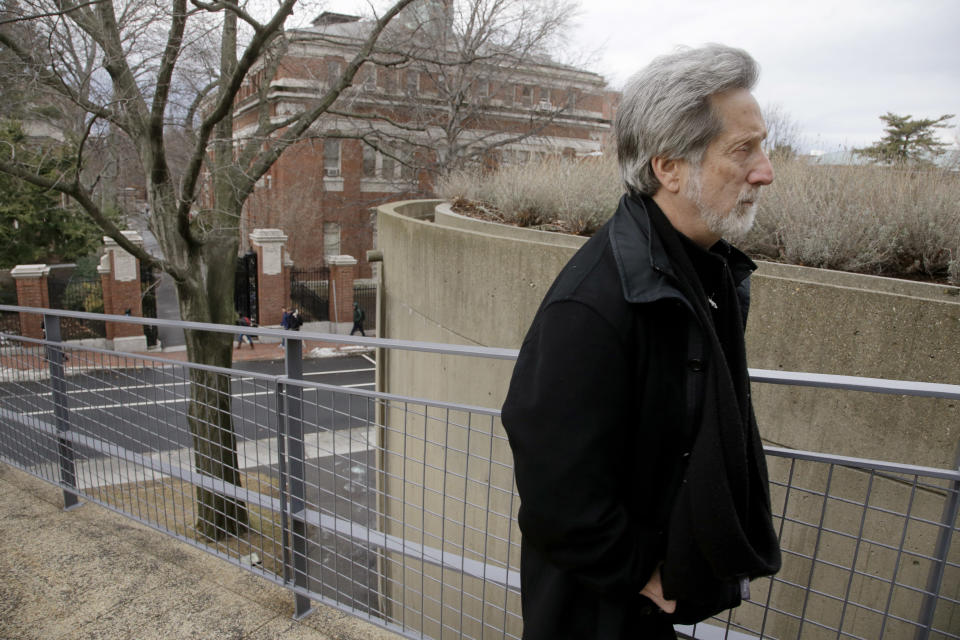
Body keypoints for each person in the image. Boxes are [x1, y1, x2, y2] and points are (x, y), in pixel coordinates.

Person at [500, 44, 781, 640]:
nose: (765, 170)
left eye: (763, 146)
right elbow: (555, 489)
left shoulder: (703, 273)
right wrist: (642, 572)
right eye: (742, 150)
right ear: (669, 167)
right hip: (597, 614)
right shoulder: (594, 303)